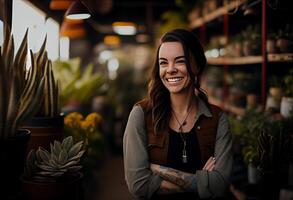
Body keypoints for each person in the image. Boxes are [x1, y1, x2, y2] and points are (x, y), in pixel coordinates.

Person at [123, 28, 233, 200]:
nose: (170, 69)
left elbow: (220, 186)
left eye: (180, 61)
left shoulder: (217, 119)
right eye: (163, 63)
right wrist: (202, 182)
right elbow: (138, 185)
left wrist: (157, 170)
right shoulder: (140, 115)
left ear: (196, 64)